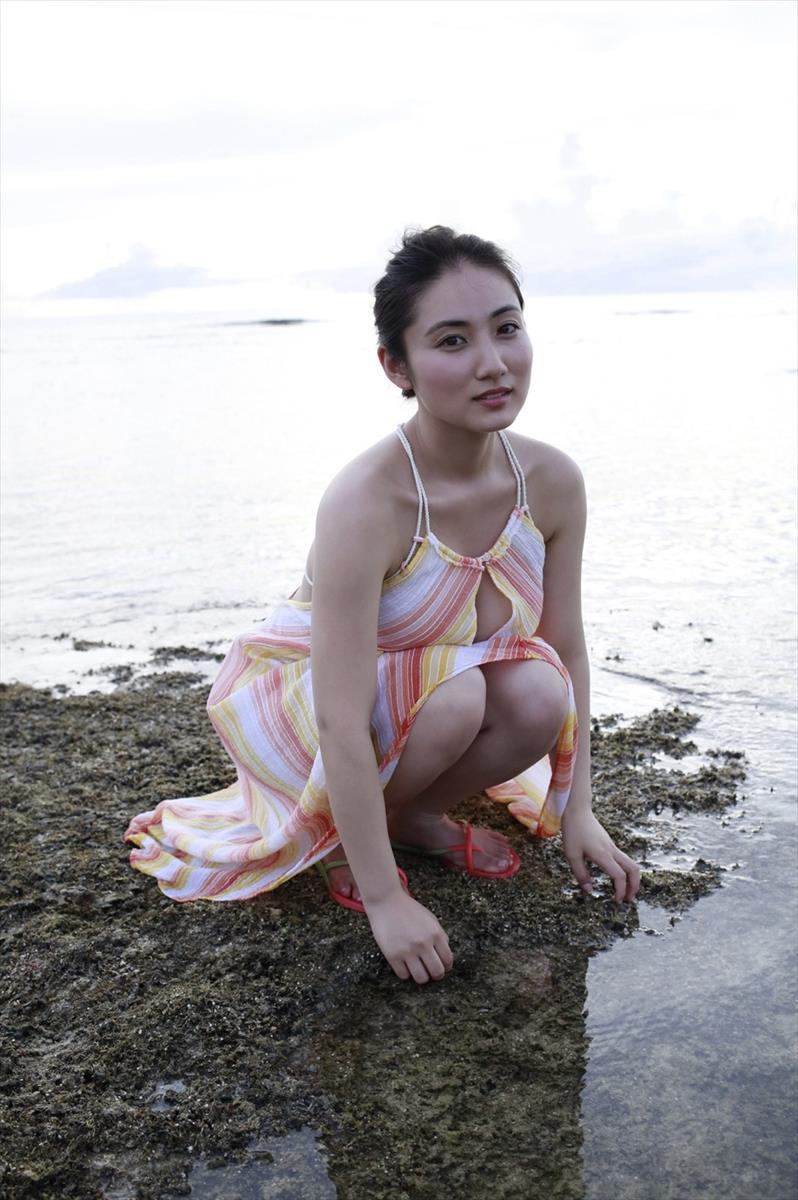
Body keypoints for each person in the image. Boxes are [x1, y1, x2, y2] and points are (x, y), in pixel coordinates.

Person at [126, 225, 640, 985]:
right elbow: (339, 714)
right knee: (458, 696)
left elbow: (566, 645)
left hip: (419, 705)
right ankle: (344, 841)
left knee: (541, 689)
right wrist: (383, 899)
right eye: (452, 341)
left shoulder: (551, 482)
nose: (492, 363)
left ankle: (412, 816)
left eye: (506, 328)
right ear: (396, 365)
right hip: (310, 715)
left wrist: (577, 810)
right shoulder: (368, 500)